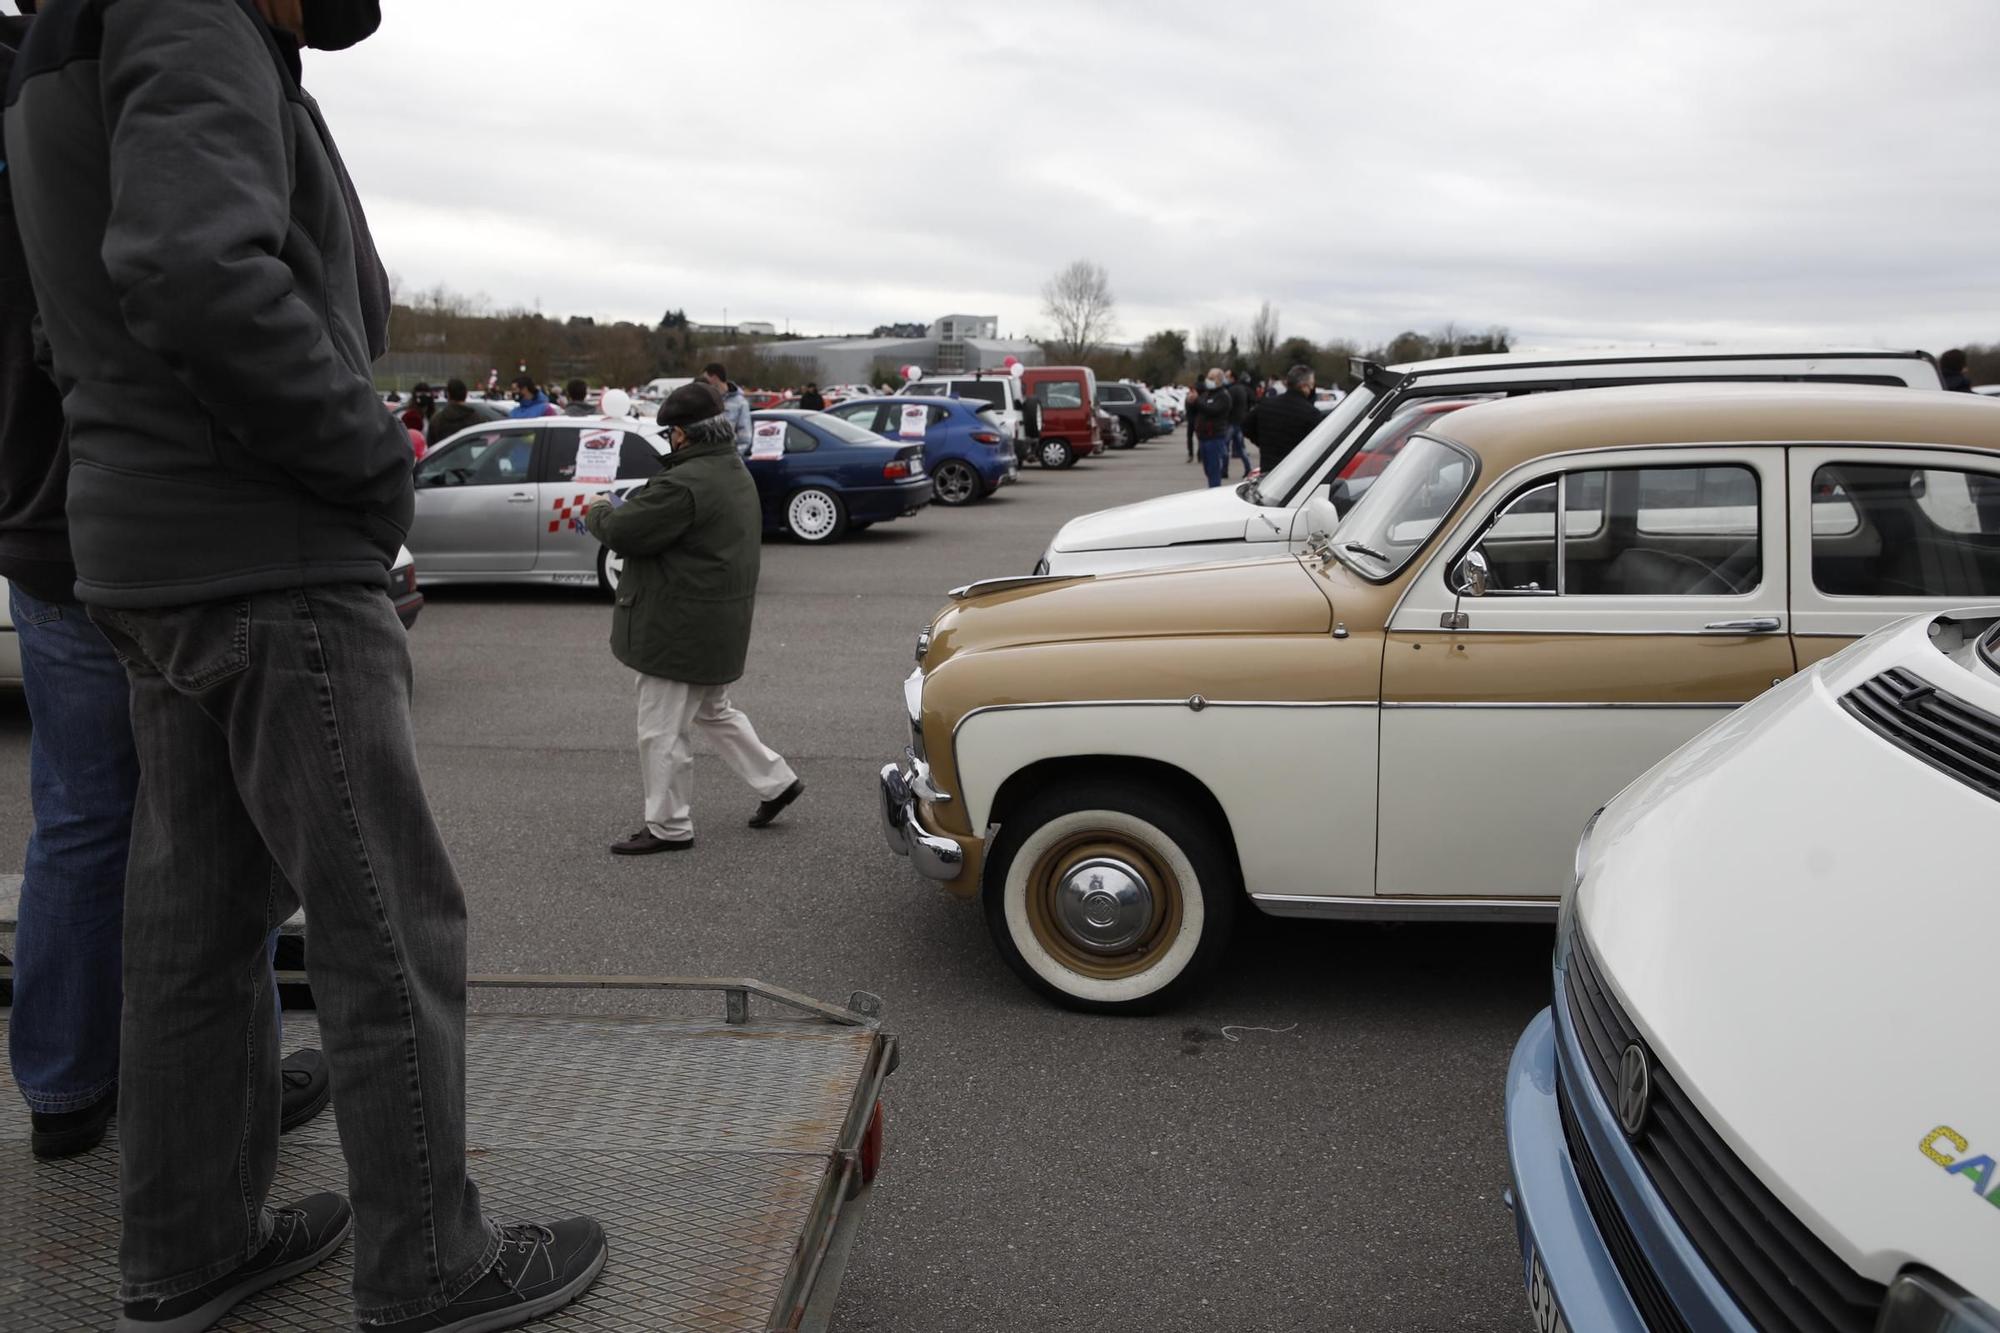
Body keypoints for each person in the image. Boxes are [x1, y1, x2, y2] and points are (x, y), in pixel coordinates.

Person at [5, 2, 605, 1330]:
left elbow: (89, 300)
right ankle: (430, 1266)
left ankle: (189, 1246)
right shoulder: (188, 11)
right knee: (387, 917)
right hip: (261, 539)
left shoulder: (75, 32)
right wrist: (365, 460)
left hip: (148, 542)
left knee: (195, 925)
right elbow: (187, 265)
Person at [0, 2, 331, 1168]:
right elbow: (149, 291)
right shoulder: (90, 77)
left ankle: (66, 1084)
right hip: (117, 497)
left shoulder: (34, 87)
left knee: (85, 818)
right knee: (206, 835)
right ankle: (195, 1088)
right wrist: (352, 458)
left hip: (39, 517)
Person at [586, 382, 805, 855]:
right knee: (713, 710)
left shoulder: (684, 484)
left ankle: (669, 826)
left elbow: (625, 532)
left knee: (660, 730)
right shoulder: (731, 469)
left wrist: (599, 507)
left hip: (677, 625)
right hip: (714, 621)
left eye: (670, 434)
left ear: (683, 436)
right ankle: (775, 781)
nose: (668, 441)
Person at [1244, 364, 1324, 477]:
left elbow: (1246, 427)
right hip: (1295, 475)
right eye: (1311, 385)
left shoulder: (1266, 405)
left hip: (1268, 471)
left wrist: (1264, 443)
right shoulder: (1312, 414)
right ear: (1304, 386)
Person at [1189, 370, 1233, 487]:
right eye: (1208, 378)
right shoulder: (1207, 394)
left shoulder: (1223, 396)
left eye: (1212, 378)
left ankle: (1215, 493)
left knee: (1214, 470)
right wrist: (1192, 401)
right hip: (1203, 437)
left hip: (1215, 437)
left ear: (1220, 380)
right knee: (1208, 469)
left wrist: (1197, 401)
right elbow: (1198, 409)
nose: (1209, 381)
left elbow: (1212, 410)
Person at [702, 360, 753, 452]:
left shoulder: (740, 403)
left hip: (728, 459)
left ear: (714, 378)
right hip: (707, 458)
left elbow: (745, 438)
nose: (704, 383)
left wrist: (731, 459)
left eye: (706, 379)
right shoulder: (707, 401)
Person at [427, 377, 496, 444]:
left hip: (444, 455)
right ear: (465, 394)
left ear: (448, 395)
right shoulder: (477, 418)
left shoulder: (437, 420)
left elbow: (431, 446)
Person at [1224, 369, 1253, 478]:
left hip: (1231, 422)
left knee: (1225, 447)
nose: (1225, 379)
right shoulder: (1242, 389)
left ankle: (1224, 470)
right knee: (1241, 448)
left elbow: (1228, 406)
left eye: (1227, 376)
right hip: (1240, 421)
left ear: (1232, 378)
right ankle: (1248, 468)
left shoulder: (1231, 390)